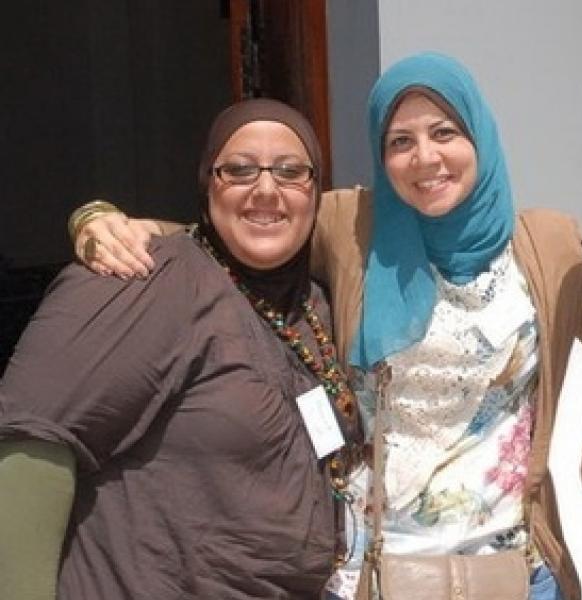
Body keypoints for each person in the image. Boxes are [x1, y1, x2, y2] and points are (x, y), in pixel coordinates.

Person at [66, 52, 582, 600]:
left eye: (444, 132)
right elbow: (235, 230)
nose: (425, 158)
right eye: (400, 141)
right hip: (373, 573)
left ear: (479, 135)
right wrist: (98, 220)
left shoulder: (549, 243)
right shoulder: (351, 225)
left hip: (516, 573)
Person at [0, 98, 360, 599]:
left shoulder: (314, 305)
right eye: (238, 170)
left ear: (316, 190)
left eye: (290, 171)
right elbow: (32, 440)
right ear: (207, 183)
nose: (265, 190)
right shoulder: (143, 279)